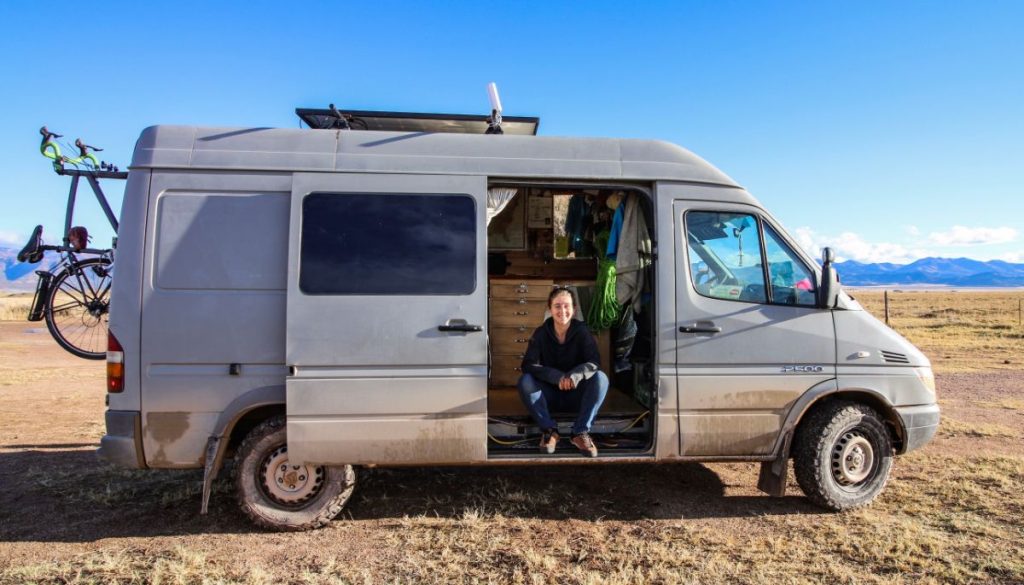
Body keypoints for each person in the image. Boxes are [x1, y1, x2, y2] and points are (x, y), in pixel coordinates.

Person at [517, 286, 609, 457]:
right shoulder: (541, 333)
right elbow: (528, 365)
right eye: (557, 306)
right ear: (550, 309)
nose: (562, 310)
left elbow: (594, 362)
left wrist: (575, 375)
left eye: (566, 306)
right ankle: (550, 431)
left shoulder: (582, 332)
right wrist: (556, 377)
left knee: (601, 378)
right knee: (525, 381)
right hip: (548, 397)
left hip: (577, 396)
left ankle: (580, 432)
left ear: (574, 310)